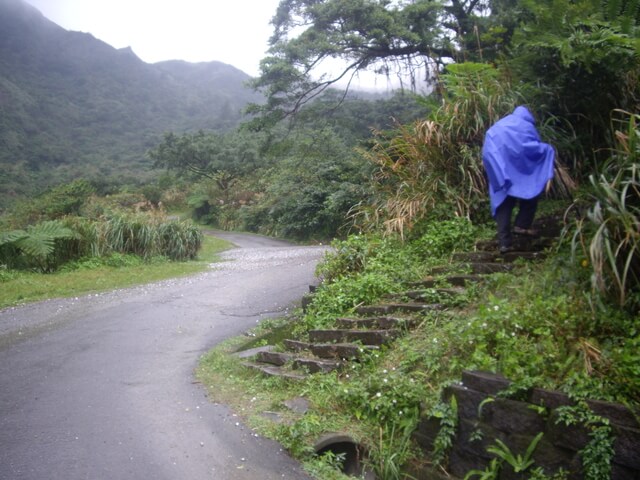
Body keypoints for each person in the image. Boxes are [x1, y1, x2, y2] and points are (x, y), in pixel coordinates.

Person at [482, 106, 555, 253]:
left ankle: (504, 243)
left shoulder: (498, 126)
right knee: (531, 193)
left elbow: (489, 146)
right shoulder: (527, 126)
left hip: (500, 170)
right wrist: (547, 149)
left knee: (504, 204)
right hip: (521, 173)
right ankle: (522, 225)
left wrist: (497, 170)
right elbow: (532, 148)